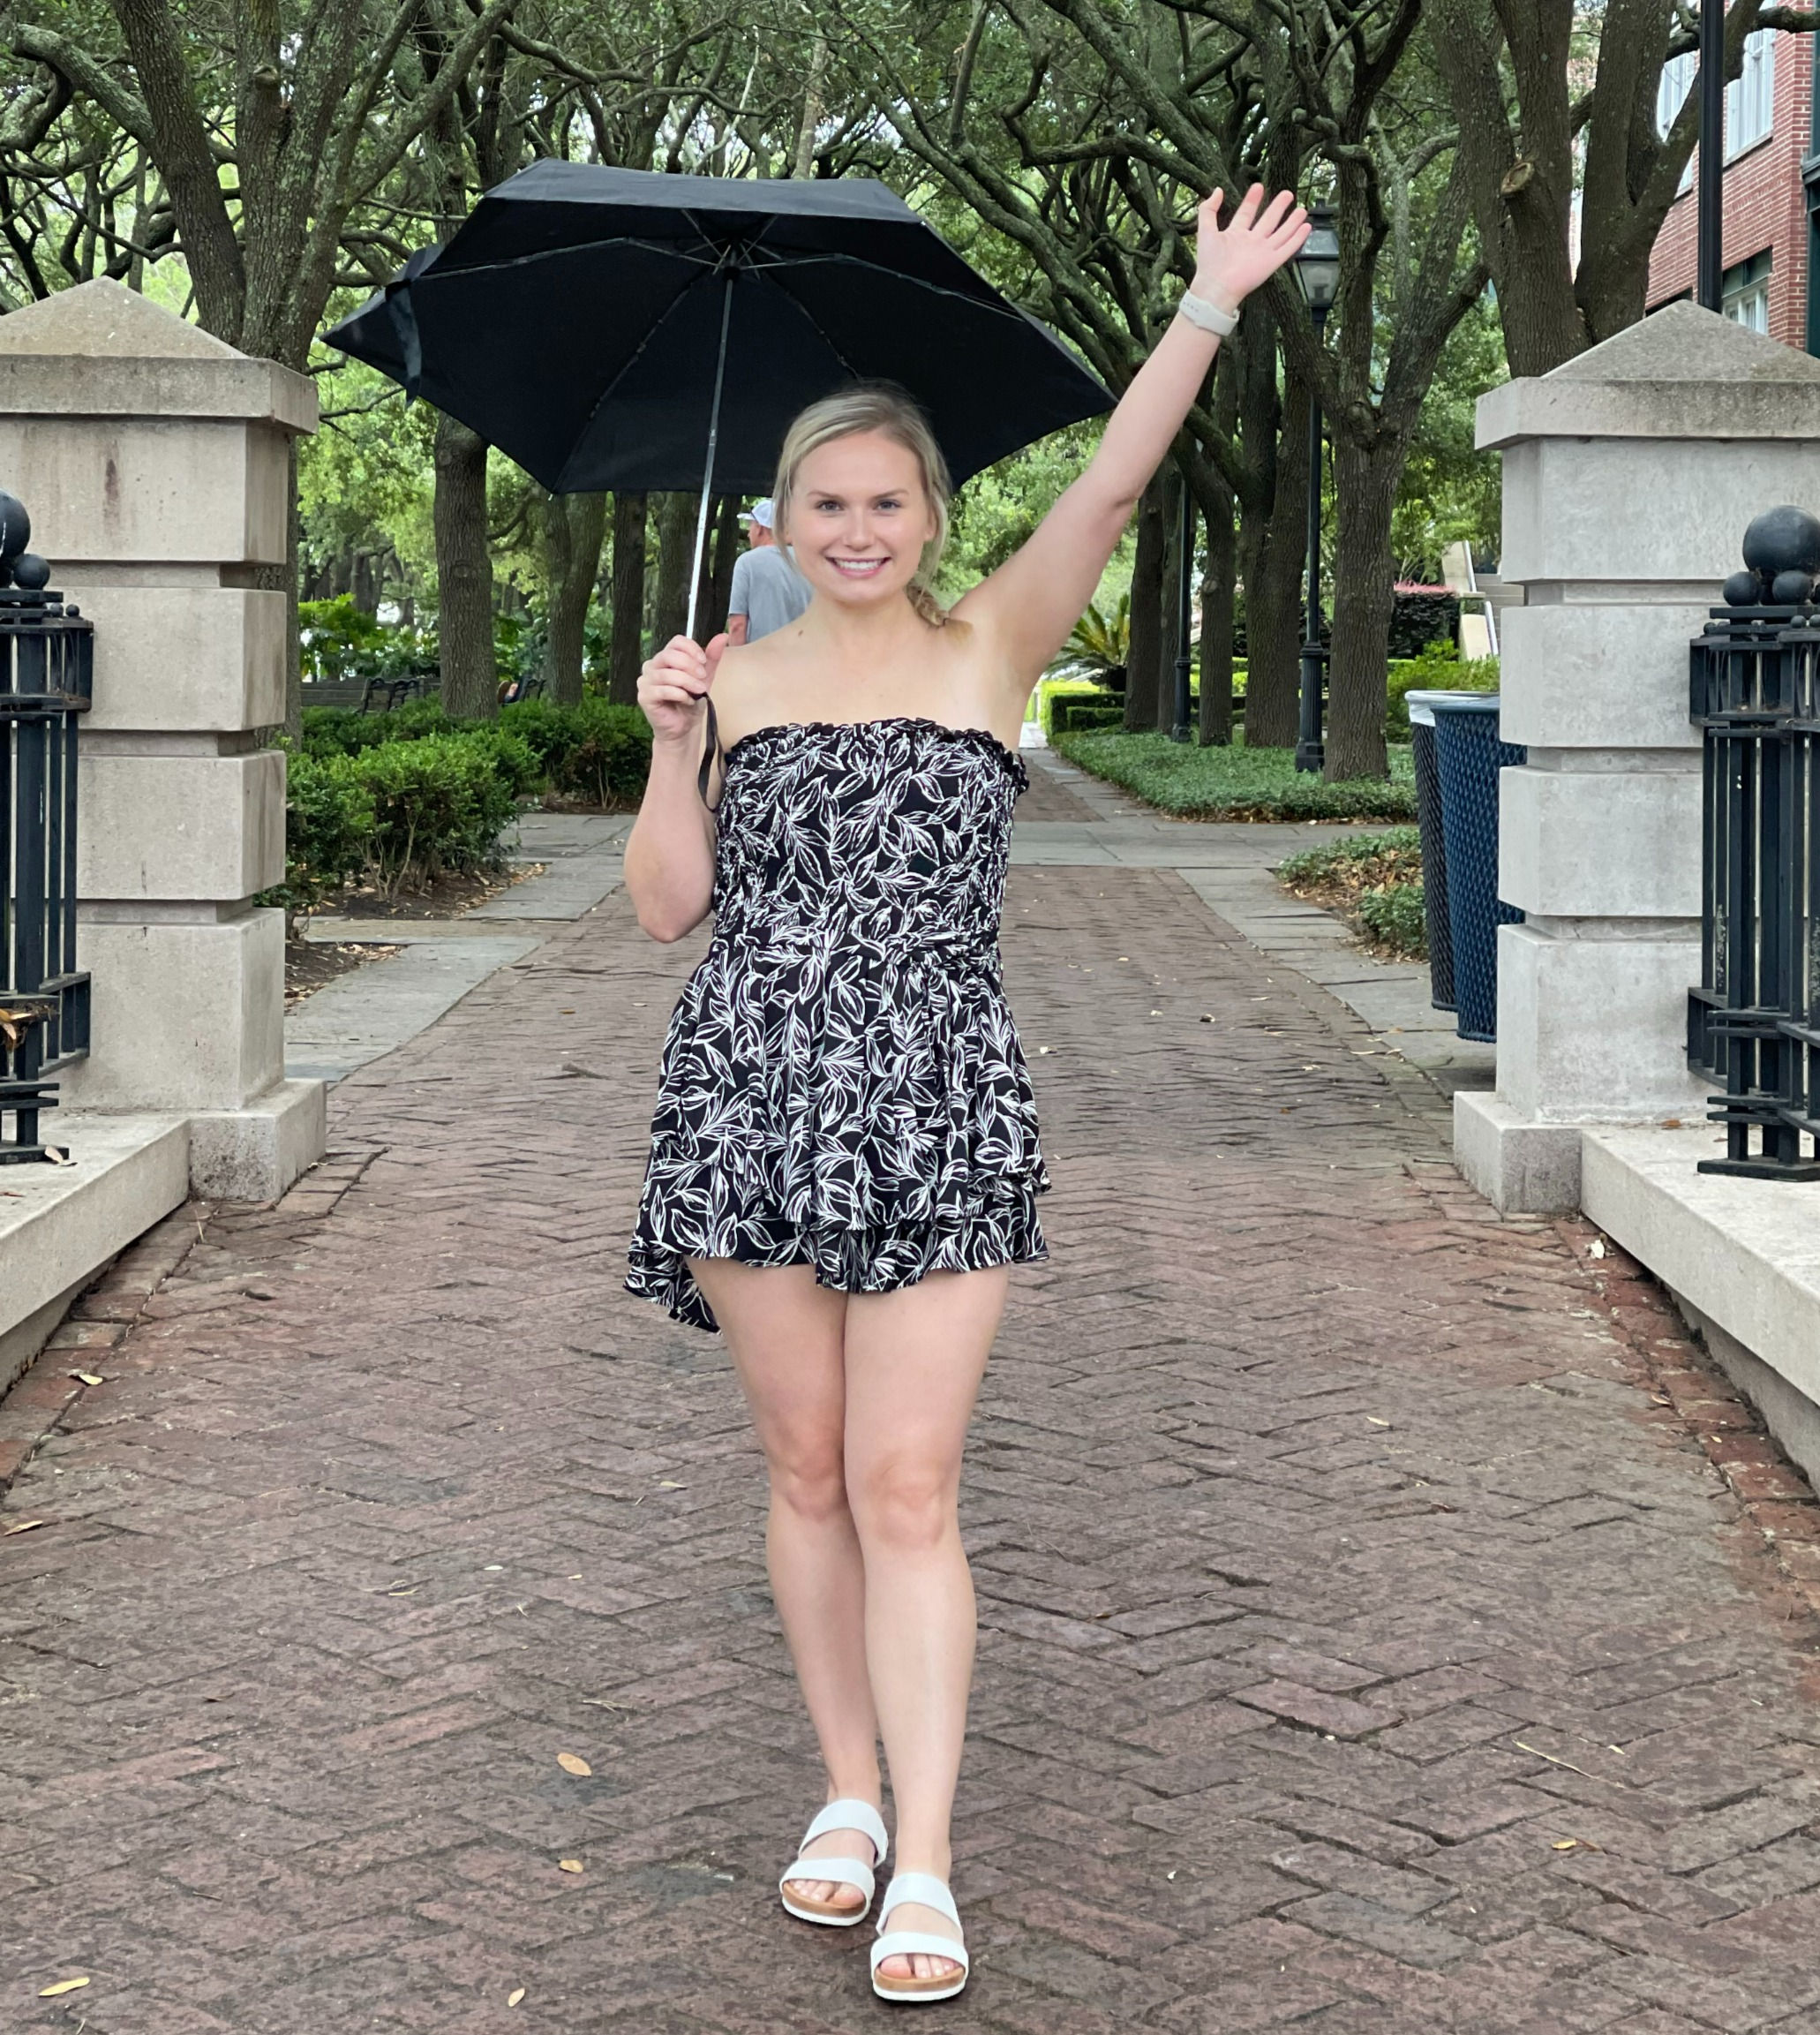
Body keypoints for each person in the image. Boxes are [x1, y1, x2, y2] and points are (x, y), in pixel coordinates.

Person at [623, 185, 1310, 2006]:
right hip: (750, 1093)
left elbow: (1105, 487)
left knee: (905, 1479)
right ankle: (838, 1794)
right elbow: (666, 909)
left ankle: (922, 1852)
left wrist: (1205, 308)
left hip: (937, 1095)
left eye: (886, 500)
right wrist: (668, 746)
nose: (854, 529)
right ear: (778, 519)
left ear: (930, 517)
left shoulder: (988, 645)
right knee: (801, 1466)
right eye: (822, 503)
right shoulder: (732, 682)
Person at [726, 497, 811, 644]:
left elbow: (737, 625)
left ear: (760, 528)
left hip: (762, 659)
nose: (748, 533)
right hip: (805, 658)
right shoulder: (810, 562)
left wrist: (737, 664)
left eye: (750, 526)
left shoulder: (747, 563)